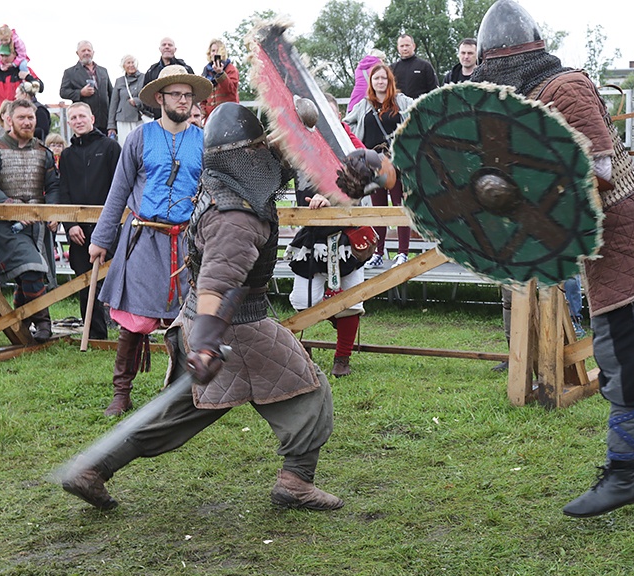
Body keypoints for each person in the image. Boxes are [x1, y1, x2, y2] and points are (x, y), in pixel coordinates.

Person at [470, 0, 634, 518]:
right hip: (617, 244)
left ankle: (623, 474)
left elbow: (598, 171)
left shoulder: (565, 87)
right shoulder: (528, 96)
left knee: (629, 354)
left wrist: (521, 192)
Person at [61, 102, 344, 513]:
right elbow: (218, 281)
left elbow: (283, 163)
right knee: (308, 389)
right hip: (232, 325)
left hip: (205, 321)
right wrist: (208, 343)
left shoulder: (227, 182)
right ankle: (296, 482)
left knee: (182, 411)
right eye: (263, 147)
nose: (272, 154)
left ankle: (91, 468)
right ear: (246, 155)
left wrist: (325, 146)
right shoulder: (236, 216)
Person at [89, 65, 211, 416]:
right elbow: (119, 191)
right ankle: (121, 392)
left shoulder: (203, 141)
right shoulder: (139, 139)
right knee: (135, 319)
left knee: (190, 320)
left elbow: (213, 191)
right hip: (144, 238)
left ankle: (188, 393)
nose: (184, 101)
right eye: (176, 94)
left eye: (188, 95)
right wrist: (101, 238)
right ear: (160, 98)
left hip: (187, 243)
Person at [288, 94, 372, 378]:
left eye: (329, 114)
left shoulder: (351, 145)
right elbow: (292, 188)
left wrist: (332, 199)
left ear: (337, 116)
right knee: (303, 301)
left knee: (352, 300)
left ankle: (343, 357)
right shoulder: (302, 147)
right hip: (313, 235)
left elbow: (364, 180)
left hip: (347, 233)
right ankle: (325, 324)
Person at [0, 98, 60, 343]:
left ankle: (21, 322)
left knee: (33, 274)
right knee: (32, 266)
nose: (27, 122)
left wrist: (51, 212)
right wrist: (14, 207)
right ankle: (44, 322)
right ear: (9, 119)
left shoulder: (43, 151)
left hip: (38, 223)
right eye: (21, 117)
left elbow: (53, 186)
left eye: (30, 117)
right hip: (6, 225)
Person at [58, 102, 122, 341]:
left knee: (113, 280)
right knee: (84, 282)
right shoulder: (66, 155)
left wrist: (110, 226)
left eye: (82, 116)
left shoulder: (110, 148)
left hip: (108, 226)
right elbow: (63, 191)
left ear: (92, 118)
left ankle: (127, 332)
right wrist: (70, 225)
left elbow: (120, 187)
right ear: (69, 123)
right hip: (78, 230)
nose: (78, 120)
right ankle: (94, 336)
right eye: (73, 117)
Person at [343, 63, 413, 268]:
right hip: (373, 165)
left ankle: (402, 253)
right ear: (371, 82)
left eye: (383, 78)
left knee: (401, 208)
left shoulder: (401, 101)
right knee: (378, 209)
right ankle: (379, 252)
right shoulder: (364, 105)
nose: (380, 82)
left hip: (398, 163)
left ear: (389, 80)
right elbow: (346, 125)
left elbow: (419, 114)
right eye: (376, 79)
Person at [59, 41, 112, 134]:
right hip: (84, 121)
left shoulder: (103, 71)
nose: (86, 53)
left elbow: (111, 94)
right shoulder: (70, 72)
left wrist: (112, 121)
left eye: (89, 50)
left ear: (93, 52)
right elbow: (63, 92)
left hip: (105, 120)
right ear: (77, 53)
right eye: (83, 51)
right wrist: (80, 93)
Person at [142, 38, 195, 119]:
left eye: (170, 45)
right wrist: (154, 110)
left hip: (181, 115)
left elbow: (192, 92)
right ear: (160, 49)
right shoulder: (151, 71)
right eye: (164, 45)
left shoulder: (185, 69)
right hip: (158, 116)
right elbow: (146, 94)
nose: (167, 47)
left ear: (175, 49)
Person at [107, 55, 147, 146]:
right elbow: (114, 104)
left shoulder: (144, 78)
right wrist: (111, 126)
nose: (131, 65)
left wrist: (138, 101)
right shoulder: (119, 81)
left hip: (139, 118)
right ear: (123, 66)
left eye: (133, 62)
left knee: (140, 145)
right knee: (125, 146)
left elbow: (148, 97)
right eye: (128, 63)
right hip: (123, 119)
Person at [389, 34, 438, 99]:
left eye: (407, 45)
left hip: (421, 106)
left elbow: (434, 91)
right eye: (402, 46)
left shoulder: (425, 66)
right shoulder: (392, 68)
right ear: (398, 48)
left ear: (413, 46)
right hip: (399, 107)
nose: (405, 48)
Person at [200, 39, 239, 118]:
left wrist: (220, 73)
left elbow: (231, 90)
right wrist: (203, 110)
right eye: (213, 51)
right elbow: (203, 96)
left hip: (228, 115)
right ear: (209, 53)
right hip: (211, 117)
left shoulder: (230, 69)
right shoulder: (206, 72)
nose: (215, 53)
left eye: (218, 51)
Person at [0, 48, 41, 112]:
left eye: (7, 55)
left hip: (22, 115)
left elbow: (41, 88)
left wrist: (28, 77)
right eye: (1, 55)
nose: (4, 59)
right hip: (4, 116)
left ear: (15, 54)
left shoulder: (25, 70)